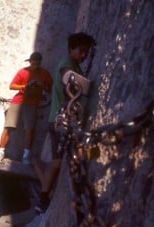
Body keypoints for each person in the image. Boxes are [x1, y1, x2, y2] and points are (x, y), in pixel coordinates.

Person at [33, 32, 96, 213]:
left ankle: (42, 193)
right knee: (57, 162)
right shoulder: (66, 66)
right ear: (71, 49)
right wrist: (86, 86)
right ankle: (42, 199)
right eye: (81, 51)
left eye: (86, 52)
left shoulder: (73, 65)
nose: (83, 55)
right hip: (59, 121)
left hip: (63, 120)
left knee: (58, 161)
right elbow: (67, 76)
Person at [0, 52, 53, 164]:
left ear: (40, 63)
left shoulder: (45, 74)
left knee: (29, 129)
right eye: (33, 64)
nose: (34, 66)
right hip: (18, 101)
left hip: (32, 103)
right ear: (29, 62)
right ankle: (1, 152)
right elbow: (11, 86)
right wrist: (25, 86)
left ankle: (26, 156)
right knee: (8, 127)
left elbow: (51, 88)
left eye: (37, 64)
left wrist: (43, 86)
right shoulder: (23, 71)